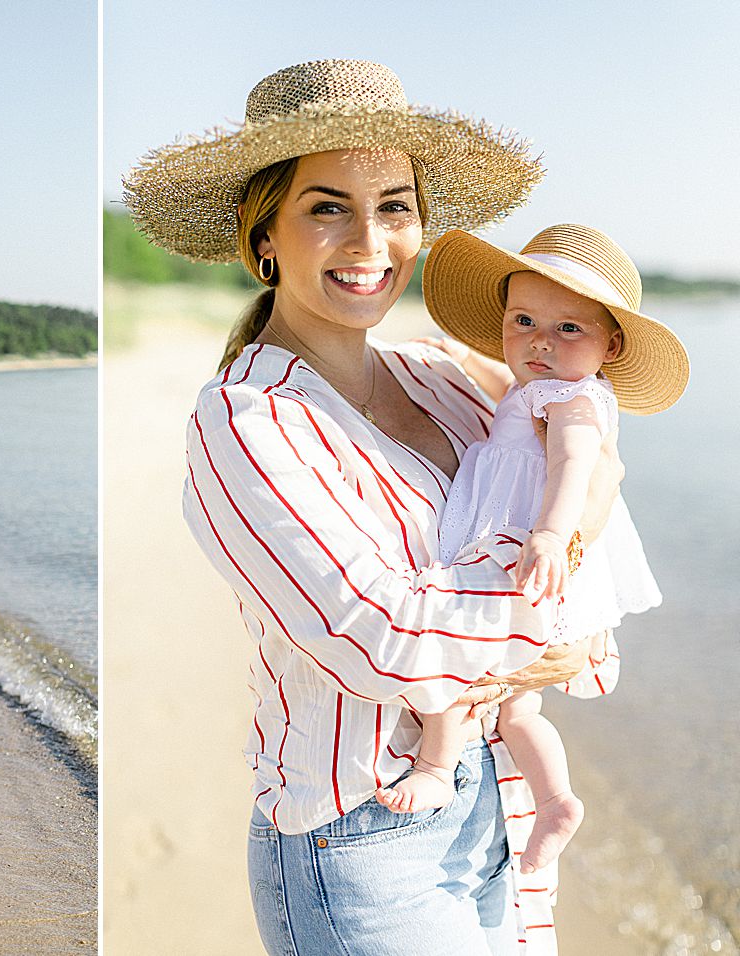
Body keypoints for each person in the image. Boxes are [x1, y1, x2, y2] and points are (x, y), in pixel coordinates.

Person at [125, 60, 622, 954]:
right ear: (263, 234)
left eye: (395, 205)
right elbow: (383, 639)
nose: (370, 239)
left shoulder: (447, 378)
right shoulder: (245, 421)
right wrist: (572, 551)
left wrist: (562, 603)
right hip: (362, 836)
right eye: (327, 207)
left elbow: (584, 599)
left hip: (497, 803)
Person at [374, 225, 686, 877]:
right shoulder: (542, 383)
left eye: (569, 328)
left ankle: (434, 767)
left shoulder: (571, 397)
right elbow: (508, 380)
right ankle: (555, 799)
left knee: (467, 673)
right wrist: (456, 357)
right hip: (525, 547)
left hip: (523, 547)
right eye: (524, 321)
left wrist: (549, 533)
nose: (541, 341)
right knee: (518, 704)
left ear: (612, 343)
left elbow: (575, 458)